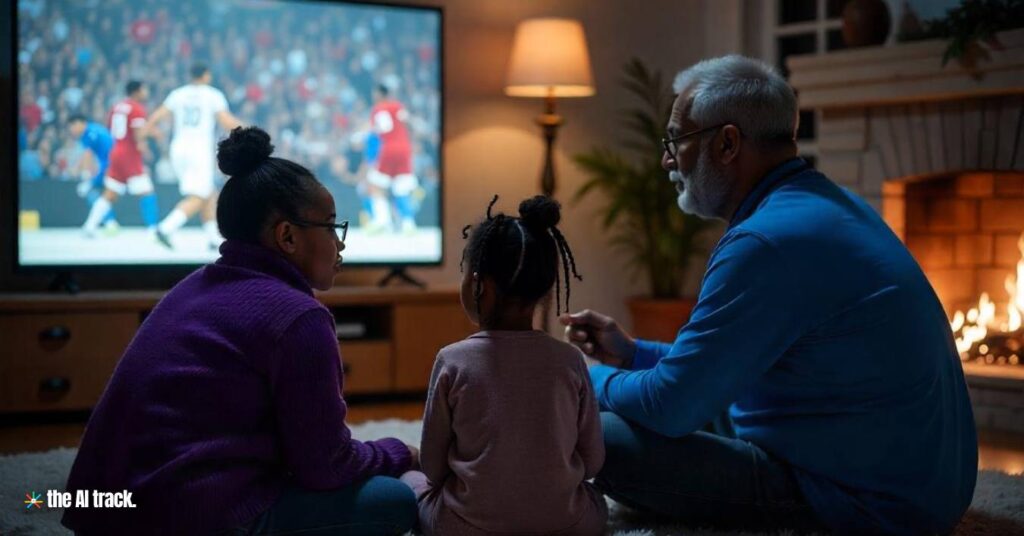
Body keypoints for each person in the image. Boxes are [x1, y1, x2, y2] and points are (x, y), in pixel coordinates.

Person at [560, 55, 977, 534]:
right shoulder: (830, 207)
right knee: (648, 406)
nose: (667, 160)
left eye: (676, 140)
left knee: (603, 435)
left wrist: (581, 380)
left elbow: (672, 408)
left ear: (728, 143)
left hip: (867, 503)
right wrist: (632, 355)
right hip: (927, 485)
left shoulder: (765, 242)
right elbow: (719, 370)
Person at [61, 126, 418, 536]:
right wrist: (401, 452)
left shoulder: (190, 287)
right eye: (332, 226)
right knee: (393, 500)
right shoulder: (299, 318)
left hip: (102, 515)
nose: (340, 244)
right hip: (187, 516)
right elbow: (326, 465)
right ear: (287, 236)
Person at [401, 195, 607, 535]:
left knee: (411, 482)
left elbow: (434, 469)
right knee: (595, 501)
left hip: (464, 526)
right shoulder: (570, 360)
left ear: (481, 285)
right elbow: (592, 462)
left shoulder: (451, 360)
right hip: (566, 525)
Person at [143, 62, 243, 250]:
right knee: (199, 195)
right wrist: (246, 130)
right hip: (198, 149)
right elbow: (225, 120)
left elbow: (158, 115)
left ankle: (214, 238)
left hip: (179, 148)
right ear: (206, 75)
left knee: (208, 193)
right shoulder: (213, 95)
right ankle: (164, 229)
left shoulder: (178, 94)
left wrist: (149, 130)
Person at [80, 80, 160, 238]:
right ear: (137, 91)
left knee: (110, 194)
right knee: (147, 192)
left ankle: (89, 226)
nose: (146, 92)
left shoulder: (116, 106)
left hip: (116, 151)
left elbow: (111, 129)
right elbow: (138, 135)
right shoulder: (137, 108)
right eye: (144, 89)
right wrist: (152, 132)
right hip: (129, 155)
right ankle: (153, 230)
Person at [367, 83, 418, 233]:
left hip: (388, 148)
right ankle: (409, 225)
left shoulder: (377, 109)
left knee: (375, 185)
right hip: (405, 148)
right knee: (401, 188)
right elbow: (408, 122)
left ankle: (382, 222)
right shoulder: (398, 106)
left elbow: (378, 130)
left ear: (378, 94)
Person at [68, 113, 118, 233]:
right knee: (105, 194)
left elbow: (88, 154)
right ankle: (108, 222)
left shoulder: (88, 133)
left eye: (72, 126)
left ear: (80, 123)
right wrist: (77, 167)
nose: (71, 130)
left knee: (90, 190)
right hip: (110, 163)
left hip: (110, 164)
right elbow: (87, 155)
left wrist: (85, 175)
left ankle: (109, 222)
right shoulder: (94, 129)